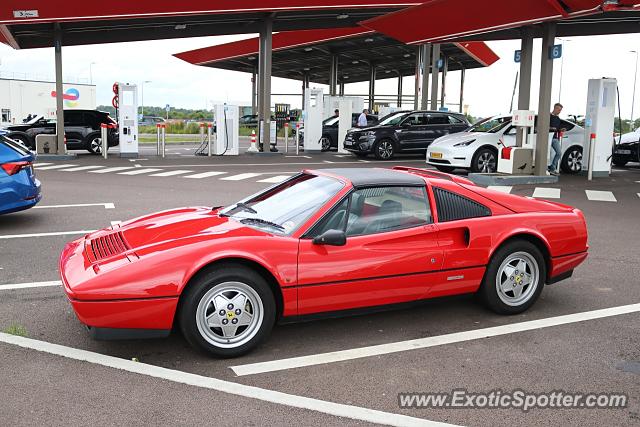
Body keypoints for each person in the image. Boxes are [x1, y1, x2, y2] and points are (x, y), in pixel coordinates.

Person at [548, 103, 564, 175]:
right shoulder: (548, 116)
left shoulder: (558, 119)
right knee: (547, 153)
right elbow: (543, 126)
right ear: (555, 108)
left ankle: (552, 168)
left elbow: (557, 128)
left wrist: (561, 129)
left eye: (560, 110)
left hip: (554, 138)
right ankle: (546, 168)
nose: (559, 111)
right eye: (559, 109)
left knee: (559, 153)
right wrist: (551, 128)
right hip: (547, 137)